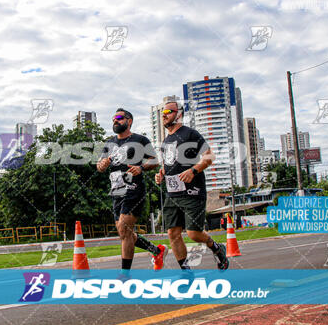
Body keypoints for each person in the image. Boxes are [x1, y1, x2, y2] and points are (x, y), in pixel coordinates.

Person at [155, 101, 229, 270]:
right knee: (172, 233)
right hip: (172, 193)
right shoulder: (166, 141)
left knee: (193, 234)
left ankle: (216, 248)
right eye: (162, 112)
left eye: (168, 111)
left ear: (178, 114)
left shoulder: (190, 134)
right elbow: (167, 166)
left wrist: (193, 171)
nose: (164, 115)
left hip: (192, 191)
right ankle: (185, 271)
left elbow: (209, 156)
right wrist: (160, 175)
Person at [97, 108, 168, 272]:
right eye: (114, 118)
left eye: (120, 118)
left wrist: (141, 167)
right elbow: (99, 166)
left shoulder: (140, 139)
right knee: (125, 233)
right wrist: (102, 164)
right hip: (117, 191)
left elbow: (155, 160)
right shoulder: (109, 143)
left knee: (124, 230)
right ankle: (157, 251)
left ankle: (125, 275)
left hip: (134, 190)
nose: (115, 120)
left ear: (129, 121)